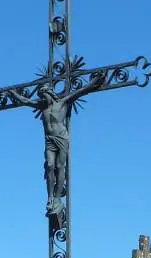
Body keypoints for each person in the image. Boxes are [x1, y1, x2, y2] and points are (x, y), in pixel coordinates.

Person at [8, 71, 108, 218]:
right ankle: (50, 197)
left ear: (50, 94)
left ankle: (57, 197)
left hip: (61, 139)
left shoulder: (62, 103)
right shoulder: (42, 107)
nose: (42, 98)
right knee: (49, 166)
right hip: (49, 140)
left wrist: (93, 83)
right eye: (41, 96)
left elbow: (80, 91)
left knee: (60, 167)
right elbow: (25, 101)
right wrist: (13, 94)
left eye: (44, 95)